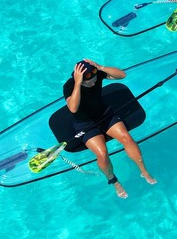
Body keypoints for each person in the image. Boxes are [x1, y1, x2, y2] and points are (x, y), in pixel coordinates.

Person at [64, 58, 157, 199]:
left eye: (94, 79)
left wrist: (100, 67)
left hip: (104, 114)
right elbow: (73, 108)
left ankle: (143, 171)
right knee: (102, 153)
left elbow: (122, 75)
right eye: (88, 82)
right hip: (85, 123)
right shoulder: (70, 85)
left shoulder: (97, 74)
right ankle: (114, 181)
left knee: (126, 137)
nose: (93, 83)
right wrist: (78, 83)